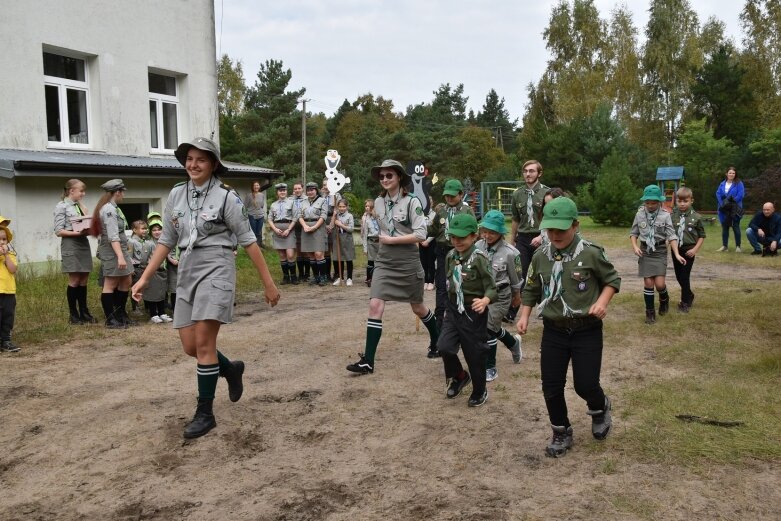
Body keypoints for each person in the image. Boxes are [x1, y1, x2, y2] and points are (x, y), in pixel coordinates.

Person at [132, 137, 280, 439]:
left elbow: (248, 240)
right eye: (189, 159)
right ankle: (230, 369)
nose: (193, 164)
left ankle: (205, 412)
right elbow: (166, 240)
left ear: (213, 164)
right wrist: (145, 277)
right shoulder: (176, 194)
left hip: (217, 267)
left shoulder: (227, 197)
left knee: (203, 343)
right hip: (186, 268)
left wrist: (268, 282)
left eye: (200, 159)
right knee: (190, 346)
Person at [517, 197, 621, 457]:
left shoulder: (590, 252)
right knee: (551, 386)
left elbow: (612, 279)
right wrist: (524, 315)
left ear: (576, 225)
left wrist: (602, 302)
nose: (555, 235)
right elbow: (531, 288)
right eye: (550, 229)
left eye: (561, 230)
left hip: (586, 328)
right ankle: (561, 431)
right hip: (554, 329)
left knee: (585, 384)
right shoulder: (541, 256)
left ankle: (600, 408)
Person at [346, 160, 440, 374]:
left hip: (407, 259)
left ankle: (437, 338)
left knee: (417, 307)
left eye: (389, 175)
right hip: (385, 260)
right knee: (375, 305)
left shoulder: (412, 202)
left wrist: (391, 241)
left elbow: (421, 234)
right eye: (382, 176)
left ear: (399, 177)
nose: (385, 179)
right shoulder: (378, 202)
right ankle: (368, 361)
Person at [437, 213, 497, 407]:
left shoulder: (480, 258)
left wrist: (485, 300)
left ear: (474, 236)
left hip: (474, 310)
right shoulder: (450, 256)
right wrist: (447, 308)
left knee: (474, 353)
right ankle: (460, 376)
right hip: (454, 309)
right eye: (453, 237)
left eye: (462, 237)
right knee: (444, 346)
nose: (457, 241)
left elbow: (492, 287)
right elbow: (448, 285)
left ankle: (480, 390)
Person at [476, 210, 523, 382]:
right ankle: (513, 343)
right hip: (481, 294)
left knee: (489, 328)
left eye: (492, 232)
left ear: (500, 233)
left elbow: (516, 278)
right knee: (489, 327)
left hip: (501, 295)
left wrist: (517, 296)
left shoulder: (511, 253)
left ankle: (490, 366)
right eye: (485, 231)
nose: (487, 235)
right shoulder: (477, 247)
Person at [630, 185, 687, 324]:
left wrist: (677, 254)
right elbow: (634, 233)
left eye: (653, 203)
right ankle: (650, 313)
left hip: (660, 251)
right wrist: (635, 246)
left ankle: (664, 299)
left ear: (659, 202)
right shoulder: (639, 214)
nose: (650, 205)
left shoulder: (665, 215)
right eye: (647, 202)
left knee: (660, 284)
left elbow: (672, 235)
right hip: (645, 252)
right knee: (648, 283)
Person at [428, 179, 475, 341]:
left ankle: (462, 324)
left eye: (452, 196)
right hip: (442, 253)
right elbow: (433, 230)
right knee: (441, 289)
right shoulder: (441, 212)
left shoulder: (467, 211)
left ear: (461, 194)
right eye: (446, 196)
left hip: (460, 253)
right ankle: (439, 330)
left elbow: (473, 232)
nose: (449, 199)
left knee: (460, 287)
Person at [506, 160, 549, 322]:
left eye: (532, 171)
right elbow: (515, 219)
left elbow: (549, 218)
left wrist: (542, 236)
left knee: (544, 273)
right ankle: (512, 310)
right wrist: (512, 241)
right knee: (518, 274)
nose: (528, 174)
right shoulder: (517, 194)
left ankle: (546, 308)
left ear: (539, 173)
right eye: (525, 171)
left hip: (541, 237)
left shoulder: (546, 193)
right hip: (523, 239)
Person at [90, 179, 134, 329]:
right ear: (117, 192)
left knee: (126, 280)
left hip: (120, 248)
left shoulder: (114, 208)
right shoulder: (108, 209)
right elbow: (112, 236)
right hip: (112, 250)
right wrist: (120, 256)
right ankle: (110, 319)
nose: (123, 195)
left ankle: (120, 313)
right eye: (122, 192)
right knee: (111, 283)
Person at [53, 179, 96, 324]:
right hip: (71, 244)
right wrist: (77, 233)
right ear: (71, 191)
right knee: (75, 279)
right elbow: (59, 231)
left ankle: (84, 311)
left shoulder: (78, 206)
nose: (83, 194)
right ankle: (74, 314)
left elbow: (85, 218)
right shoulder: (61, 206)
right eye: (81, 191)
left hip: (83, 243)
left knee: (84, 278)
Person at [670, 187, 706, 312]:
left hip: (689, 251)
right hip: (676, 250)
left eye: (685, 201)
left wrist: (695, 250)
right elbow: (670, 233)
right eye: (679, 201)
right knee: (679, 276)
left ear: (691, 201)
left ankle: (684, 302)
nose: (682, 204)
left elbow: (702, 236)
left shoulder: (696, 217)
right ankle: (689, 294)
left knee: (685, 277)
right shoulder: (673, 215)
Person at [298, 181, 328, 286]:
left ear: (316, 190)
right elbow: (299, 216)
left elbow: (323, 216)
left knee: (319, 254)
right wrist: (305, 226)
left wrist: (314, 227)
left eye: (312, 190)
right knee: (311, 254)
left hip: (318, 228)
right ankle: (316, 277)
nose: (310, 192)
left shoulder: (322, 201)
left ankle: (323, 277)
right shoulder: (303, 202)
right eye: (308, 190)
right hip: (306, 227)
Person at [268, 183, 298, 284]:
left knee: (290, 255)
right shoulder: (273, 205)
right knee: (282, 255)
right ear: (277, 192)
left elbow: (295, 217)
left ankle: (293, 277)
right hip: (277, 232)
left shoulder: (291, 202)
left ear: (286, 192)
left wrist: (288, 229)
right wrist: (275, 229)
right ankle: (286, 277)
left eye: (284, 190)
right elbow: (270, 219)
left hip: (288, 230)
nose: (282, 192)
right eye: (280, 191)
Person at [145, 218, 172, 323]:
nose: (157, 232)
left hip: (163, 271)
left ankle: (161, 312)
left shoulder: (164, 243)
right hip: (153, 272)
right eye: (154, 230)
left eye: (159, 229)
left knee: (161, 292)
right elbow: (144, 258)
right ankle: (153, 314)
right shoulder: (149, 243)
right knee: (153, 292)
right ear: (150, 232)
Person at [0, 219, 20, 353]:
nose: (2, 242)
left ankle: (5, 340)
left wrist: (6, 255)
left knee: (8, 315)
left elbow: (12, 270)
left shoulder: (11, 255)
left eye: (4, 239)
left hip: (8, 291)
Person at [715, 166, 745, 252]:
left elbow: (741, 195)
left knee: (736, 227)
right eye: (730, 173)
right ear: (726, 174)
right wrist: (723, 204)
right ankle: (725, 246)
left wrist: (731, 203)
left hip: (734, 208)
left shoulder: (739, 183)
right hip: (723, 209)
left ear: (735, 174)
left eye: (733, 173)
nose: (731, 174)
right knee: (725, 227)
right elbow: (718, 194)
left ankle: (738, 247)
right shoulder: (722, 184)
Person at [128, 219, 151, 314]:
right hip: (136, 268)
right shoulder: (131, 241)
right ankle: (135, 307)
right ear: (134, 230)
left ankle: (147, 306)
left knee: (144, 287)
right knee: (136, 288)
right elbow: (129, 256)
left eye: (146, 228)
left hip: (144, 268)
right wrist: (130, 269)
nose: (145, 230)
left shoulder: (145, 242)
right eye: (142, 229)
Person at [332, 199, 355, 286]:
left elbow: (351, 229)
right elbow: (331, 226)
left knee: (348, 258)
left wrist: (341, 225)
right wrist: (334, 216)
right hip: (337, 238)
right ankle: (340, 277)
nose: (342, 208)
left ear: (347, 206)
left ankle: (349, 278)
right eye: (340, 206)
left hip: (346, 238)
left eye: (344, 206)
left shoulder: (349, 216)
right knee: (338, 258)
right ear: (338, 207)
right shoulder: (336, 215)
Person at [291, 182, 309, 281]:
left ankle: (307, 274)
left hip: (305, 226)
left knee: (305, 250)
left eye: (299, 188)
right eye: (295, 189)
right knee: (298, 251)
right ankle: (301, 274)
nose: (297, 190)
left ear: (302, 189)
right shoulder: (290, 200)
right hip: (295, 227)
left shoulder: (307, 199)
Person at [360, 199, 379, 286]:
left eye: (369, 206)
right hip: (371, 241)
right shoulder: (365, 218)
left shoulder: (379, 216)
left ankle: (379, 279)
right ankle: (369, 278)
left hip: (380, 241)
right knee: (371, 261)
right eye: (366, 206)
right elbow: (364, 234)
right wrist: (365, 248)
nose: (367, 208)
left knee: (380, 261)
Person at [419, 196, 437, 291]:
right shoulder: (420, 214)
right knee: (423, 262)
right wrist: (421, 240)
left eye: (429, 202)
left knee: (430, 262)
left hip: (431, 241)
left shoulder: (434, 215)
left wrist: (427, 241)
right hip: (421, 240)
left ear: (432, 203)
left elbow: (435, 229)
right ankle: (425, 281)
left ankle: (431, 281)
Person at [244, 181, 267, 247]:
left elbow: (262, 206)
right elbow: (245, 206)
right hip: (252, 216)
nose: (256, 187)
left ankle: (259, 245)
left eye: (257, 185)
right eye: (255, 185)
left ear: (259, 186)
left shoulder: (262, 195)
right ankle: (254, 246)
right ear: (252, 187)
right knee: (253, 232)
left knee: (259, 232)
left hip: (261, 216)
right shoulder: (249, 196)